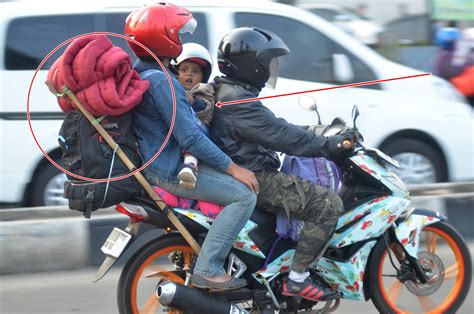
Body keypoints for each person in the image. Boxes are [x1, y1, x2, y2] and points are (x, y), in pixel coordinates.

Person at [210, 27, 357, 301]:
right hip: (257, 178)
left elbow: (275, 128)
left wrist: (319, 130)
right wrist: (330, 145)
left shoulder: (229, 92)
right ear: (252, 65)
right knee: (328, 204)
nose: (269, 69)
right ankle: (298, 279)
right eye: (267, 63)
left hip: (240, 171)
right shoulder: (238, 101)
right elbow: (282, 136)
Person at [125, 3, 259, 290]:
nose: (181, 41)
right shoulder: (163, 82)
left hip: (158, 161)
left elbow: (173, 115)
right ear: (164, 38)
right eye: (178, 34)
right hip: (169, 170)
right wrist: (234, 169)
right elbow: (191, 139)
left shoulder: (145, 70)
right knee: (244, 196)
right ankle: (208, 268)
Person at [172, 43, 216, 188]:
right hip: (180, 133)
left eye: (195, 71)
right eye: (184, 70)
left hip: (198, 130)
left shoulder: (203, 89)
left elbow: (205, 107)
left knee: (191, 134)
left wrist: (191, 100)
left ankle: (191, 165)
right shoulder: (170, 87)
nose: (189, 74)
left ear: (203, 77)